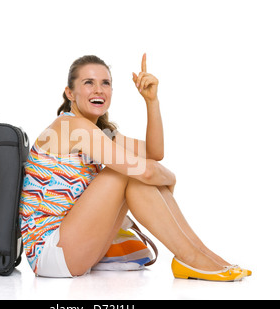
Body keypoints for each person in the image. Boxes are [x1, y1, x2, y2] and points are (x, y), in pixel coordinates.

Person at [20, 54, 251, 281]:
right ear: (70, 93)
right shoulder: (71, 127)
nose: (99, 89)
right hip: (50, 251)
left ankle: (203, 255)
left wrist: (152, 101)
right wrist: (170, 177)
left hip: (75, 245)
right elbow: (147, 170)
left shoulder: (100, 133)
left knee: (130, 171)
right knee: (125, 173)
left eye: (106, 83)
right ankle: (189, 257)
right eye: (88, 82)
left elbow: (154, 152)